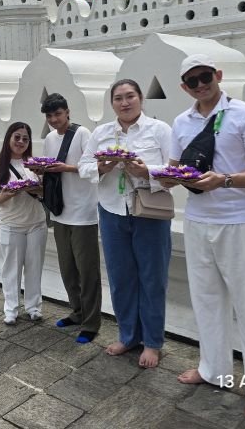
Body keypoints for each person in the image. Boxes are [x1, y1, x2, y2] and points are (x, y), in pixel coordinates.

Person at [167, 53, 245, 422]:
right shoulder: (181, 122)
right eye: (192, 81)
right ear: (184, 87)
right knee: (206, 300)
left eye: (205, 77)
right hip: (198, 219)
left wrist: (225, 179)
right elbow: (173, 170)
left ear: (217, 75)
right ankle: (213, 368)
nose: (201, 85)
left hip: (239, 220)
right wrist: (164, 177)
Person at [77, 79, 172, 368]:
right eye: (118, 98)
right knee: (121, 279)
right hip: (112, 210)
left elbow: (175, 169)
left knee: (152, 278)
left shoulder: (160, 130)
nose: (125, 102)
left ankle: (153, 342)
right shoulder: (102, 133)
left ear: (141, 99)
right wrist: (102, 166)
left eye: (130, 96)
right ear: (112, 103)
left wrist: (146, 170)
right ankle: (128, 335)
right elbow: (83, 166)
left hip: (149, 213)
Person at [38, 93, 101, 344]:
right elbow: (48, 169)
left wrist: (67, 168)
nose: (54, 120)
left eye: (58, 114)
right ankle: (77, 312)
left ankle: (91, 322)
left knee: (87, 271)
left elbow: (93, 168)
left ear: (67, 112)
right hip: (60, 210)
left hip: (83, 212)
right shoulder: (49, 139)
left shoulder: (83, 134)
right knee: (67, 269)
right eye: (50, 116)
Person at [0, 122, 48, 325]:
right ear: (9, 139)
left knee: (34, 266)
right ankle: (11, 309)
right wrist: (4, 196)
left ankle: (33, 307)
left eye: (25, 138)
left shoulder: (34, 165)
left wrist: (37, 187)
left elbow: (45, 191)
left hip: (36, 222)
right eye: (17, 137)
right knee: (11, 269)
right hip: (10, 224)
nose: (21, 142)